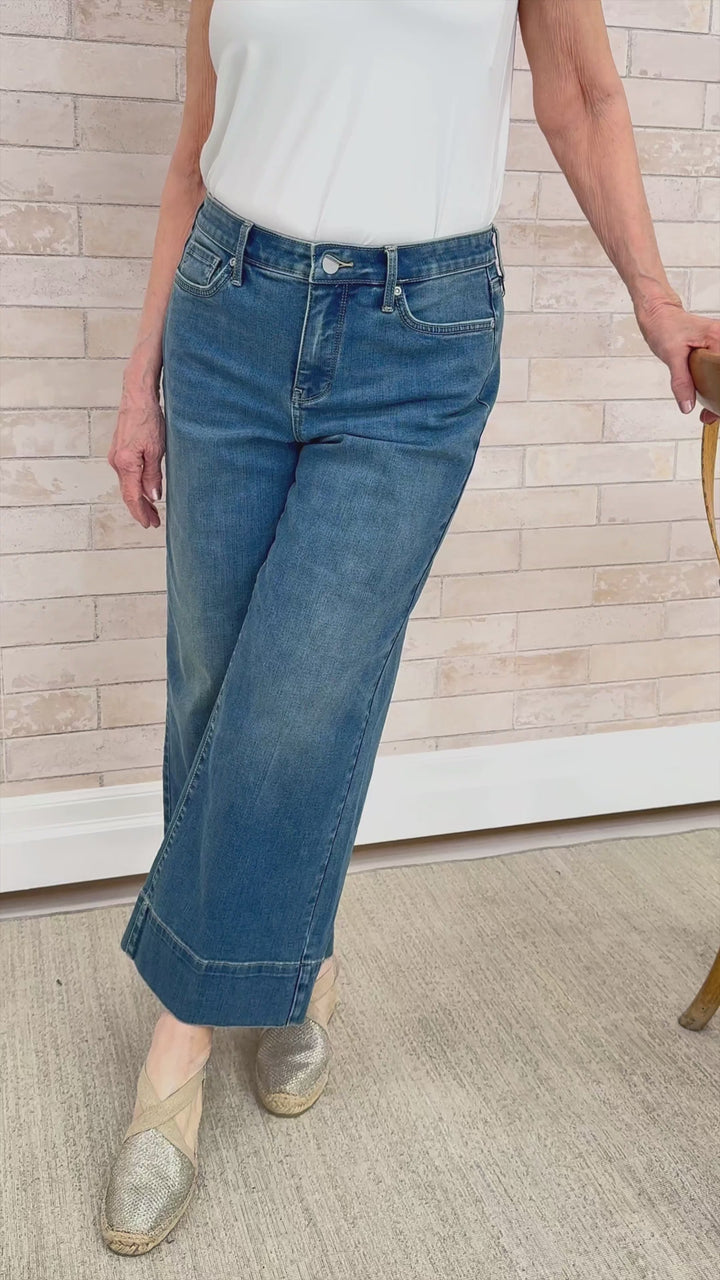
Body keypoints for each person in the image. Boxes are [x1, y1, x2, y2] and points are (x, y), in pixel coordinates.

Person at [101, 0, 720, 1256]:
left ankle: (179, 1035)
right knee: (214, 680)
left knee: (299, 687)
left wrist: (655, 297)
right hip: (227, 308)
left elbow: (583, 95)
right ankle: (291, 957)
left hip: (416, 337)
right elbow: (193, 154)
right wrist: (137, 383)